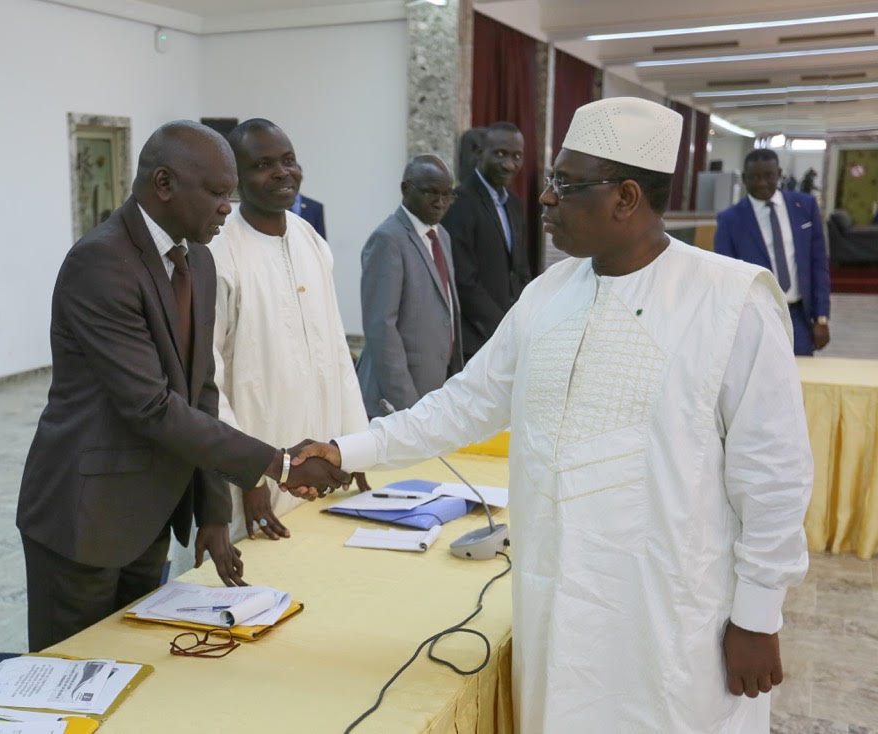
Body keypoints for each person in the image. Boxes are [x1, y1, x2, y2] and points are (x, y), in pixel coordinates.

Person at [294, 97, 811, 733]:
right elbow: (465, 403)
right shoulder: (546, 295)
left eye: (565, 184)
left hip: (672, 611)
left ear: (625, 198)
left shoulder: (731, 299)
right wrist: (348, 452)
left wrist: (758, 617)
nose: (543, 199)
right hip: (557, 601)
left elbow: (774, 477)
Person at [15, 120, 349, 652]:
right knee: (73, 677)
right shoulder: (102, 263)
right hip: (84, 516)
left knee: (135, 669)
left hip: (149, 516)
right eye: (217, 193)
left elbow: (201, 394)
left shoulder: (198, 259)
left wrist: (214, 515)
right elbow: (151, 406)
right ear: (164, 184)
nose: (226, 207)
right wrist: (280, 465)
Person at [209, 119, 369, 540]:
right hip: (257, 469)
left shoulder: (310, 240)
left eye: (289, 160)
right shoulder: (218, 253)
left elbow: (337, 352)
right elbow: (209, 382)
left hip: (323, 462)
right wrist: (251, 478)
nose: (282, 172)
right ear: (236, 180)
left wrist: (356, 449)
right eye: (263, 164)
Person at [355, 154, 463, 418]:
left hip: (436, 388)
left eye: (448, 194)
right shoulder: (388, 239)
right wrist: (407, 405)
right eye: (431, 193)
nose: (440, 202)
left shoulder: (442, 235)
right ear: (406, 189)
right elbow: (381, 328)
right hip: (396, 400)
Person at [715, 149, 830, 355]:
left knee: (801, 379)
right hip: (754, 319)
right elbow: (724, 277)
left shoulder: (804, 206)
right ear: (744, 178)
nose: (761, 183)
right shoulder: (729, 220)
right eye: (754, 177)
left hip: (798, 316)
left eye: (768, 176)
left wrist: (821, 317)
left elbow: (818, 264)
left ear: (779, 173)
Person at [441, 121, 532, 361]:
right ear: (480, 153)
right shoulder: (460, 202)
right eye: (500, 154)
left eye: (517, 156)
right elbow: (463, 280)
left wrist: (523, 318)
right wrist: (500, 327)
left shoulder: (515, 204)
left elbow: (520, 270)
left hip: (510, 334)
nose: (509, 164)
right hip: (476, 339)